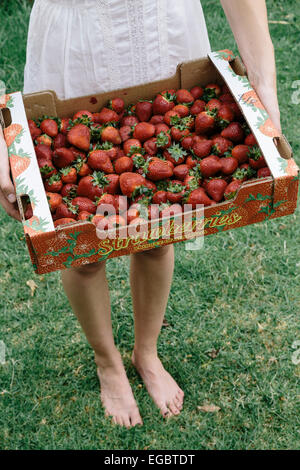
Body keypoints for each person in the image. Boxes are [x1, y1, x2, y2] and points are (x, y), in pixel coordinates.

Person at [0, 0, 281, 428]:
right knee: (82, 245)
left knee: (160, 229)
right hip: (74, 48)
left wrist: (264, 89)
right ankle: (107, 361)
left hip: (163, 35)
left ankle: (145, 351)